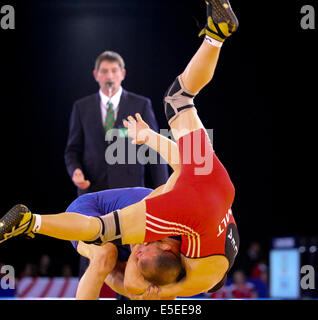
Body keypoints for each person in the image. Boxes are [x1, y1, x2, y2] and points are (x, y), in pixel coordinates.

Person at [0, 0, 240, 299]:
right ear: (167, 247)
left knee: (179, 98)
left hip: (216, 184)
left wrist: (150, 136)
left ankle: (215, 36)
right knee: (102, 238)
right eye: (143, 253)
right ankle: (30, 221)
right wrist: (158, 295)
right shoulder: (177, 237)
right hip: (177, 206)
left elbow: (182, 166)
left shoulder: (203, 249)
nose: (138, 251)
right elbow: (129, 272)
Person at [64, 50, 169, 281]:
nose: (109, 75)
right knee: (91, 256)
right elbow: (72, 150)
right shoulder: (82, 107)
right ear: (96, 75)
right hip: (92, 195)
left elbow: (154, 151)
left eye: (113, 70)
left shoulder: (141, 104)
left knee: (133, 255)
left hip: (129, 196)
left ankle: (128, 304)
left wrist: (163, 194)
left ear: (122, 74)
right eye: (104, 71)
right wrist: (75, 171)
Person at [63, 187, 183, 299]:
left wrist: (149, 296)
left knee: (160, 284)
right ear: (165, 246)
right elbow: (131, 283)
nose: (138, 254)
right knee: (104, 255)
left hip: (120, 234)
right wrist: (137, 247)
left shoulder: (182, 248)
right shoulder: (154, 223)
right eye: (140, 253)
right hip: (87, 210)